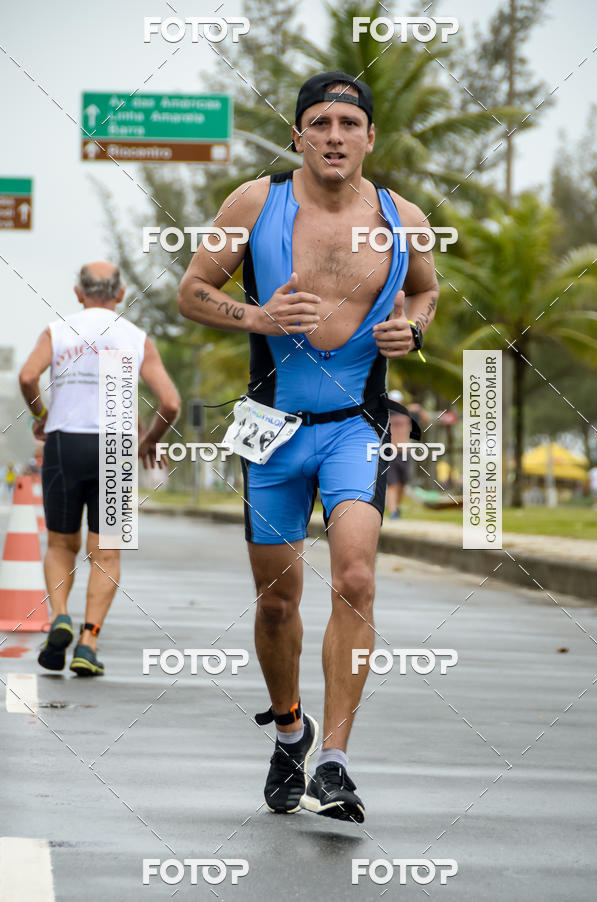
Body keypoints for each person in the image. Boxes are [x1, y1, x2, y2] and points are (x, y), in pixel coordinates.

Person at [178, 71, 439, 822]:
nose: (333, 135)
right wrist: (254, 316)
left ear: (368, 138)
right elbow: (192, 289)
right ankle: (291, 730)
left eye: (347, 124)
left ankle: (335, 761)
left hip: (356, 427)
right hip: (272, 431)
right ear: (298, 135)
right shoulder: (257, 202)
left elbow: (424, 288)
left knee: (355, 578)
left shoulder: (402, 215)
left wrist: (413, 330)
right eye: (319, 123)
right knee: (276, 603)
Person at [18, 262, 180, 676]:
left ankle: (59, 618)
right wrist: (149, 442)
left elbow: (27, 376)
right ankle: (88, 643)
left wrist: (41, 413)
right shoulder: (135, 337)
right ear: (121, 293)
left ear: (78, 293)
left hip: (64, 442)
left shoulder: (57, 331)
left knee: (59, 545)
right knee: (106, 553)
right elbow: (171, 403)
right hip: (116, 445)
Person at [385, 390, 429, 518]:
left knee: (402, 484)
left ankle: (396, 508)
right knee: (392, 483)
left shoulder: (407, 414)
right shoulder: (385, 413)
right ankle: (393, 511)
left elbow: (426, 419)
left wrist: (419, 409)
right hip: (390, 452)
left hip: (405, 452)